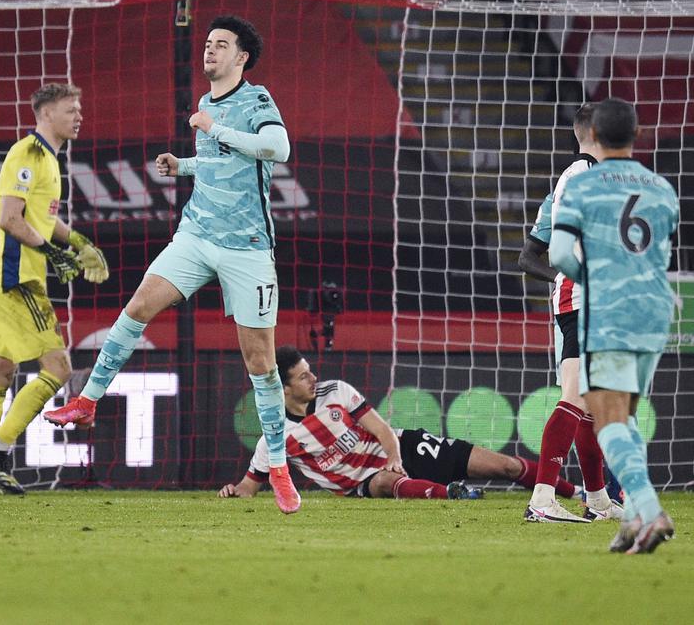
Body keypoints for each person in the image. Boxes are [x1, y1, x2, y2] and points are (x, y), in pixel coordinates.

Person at [45, 16, 300, 513]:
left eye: (221, 44)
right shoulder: (206, 103)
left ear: (242, 57)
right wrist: (182, 166)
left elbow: (278, 148)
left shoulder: (256, 100)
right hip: (196, 235)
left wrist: (214, 127)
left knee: (261, 363)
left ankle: (278, 468)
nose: (210, 50)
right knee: (137, 307)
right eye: (207, 43)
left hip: (247, 247)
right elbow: (221, 163)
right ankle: (87, 401)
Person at [0, 83, 109, 495]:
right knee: (58, 368)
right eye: (70, 110)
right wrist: (53, 253)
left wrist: (77, 242)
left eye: (79, 109)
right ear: (46, 113)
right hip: (16, 279)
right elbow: (10, 218)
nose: (79, 116)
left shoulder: (47, 159)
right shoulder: (27, 153)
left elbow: (41, 218)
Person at [549, 97, 680, 554]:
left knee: (606, 420)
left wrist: (596, 280)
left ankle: (650, 511)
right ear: (637, 135)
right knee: (626, 417)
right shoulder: (662, 188)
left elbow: (559, 254)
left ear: (595, 136)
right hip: (656, 308)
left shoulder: (583, 185)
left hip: (609, 308)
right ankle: (633, 518)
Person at [218, 347, 577, 501]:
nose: (313, 378)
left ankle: (572, 493)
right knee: (385, 483)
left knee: (506, 465)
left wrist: (394, 456)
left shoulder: (336, 391)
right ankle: (455, 495)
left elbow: (380, 428)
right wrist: (233, 492)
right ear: (284, 389)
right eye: (303, 376)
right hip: (365, 481)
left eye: (310, 371)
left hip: (402, 448)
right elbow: (250, 485)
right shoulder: (276, 437)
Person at [517, 103, 620, 523]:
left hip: (585, 296)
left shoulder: (583, 177)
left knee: (589, 401)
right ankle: (542, 499)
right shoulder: (583, 177)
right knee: (575, 397)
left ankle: (598, 500)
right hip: (579, 297)